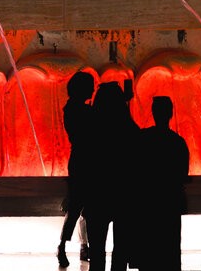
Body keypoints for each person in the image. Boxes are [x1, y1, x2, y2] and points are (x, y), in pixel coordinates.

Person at [83, 78, 139, 271]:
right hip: (123, 196)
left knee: (96, 252)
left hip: (97, 196)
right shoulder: (130, 130)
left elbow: (85, 164)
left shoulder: (91, 130)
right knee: (121, 251)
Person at [132, 96, 190, 271]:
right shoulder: (178, 143)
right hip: (170, 203)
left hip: (148, 203)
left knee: (148, 253)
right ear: (170, 114)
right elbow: (182, 174)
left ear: (153, 113)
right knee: (170, 251)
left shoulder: (143, 139)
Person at [57, 71, 96, 268]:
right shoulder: (80, 111)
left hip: (80, 160)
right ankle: (67, 246)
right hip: (84, 162)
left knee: (79, 208)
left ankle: (69, 246)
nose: (93, 89)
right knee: (79, 207)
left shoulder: (71, 109)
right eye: (90, 86)